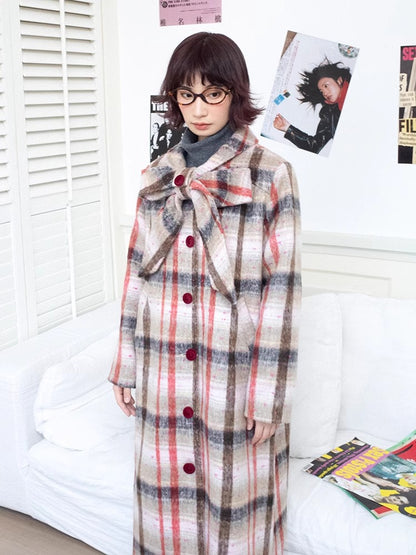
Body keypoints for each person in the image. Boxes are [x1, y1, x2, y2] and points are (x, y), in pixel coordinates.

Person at [109, 31, 301, 554]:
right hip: (163, 375)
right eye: (187, 94)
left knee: (235, 516)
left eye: (213, 93)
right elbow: (136, 274)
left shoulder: (271, 175)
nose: (199, 108)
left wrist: (268, 396)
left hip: (233, 380)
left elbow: (282, 293)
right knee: (166, 517)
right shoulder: (157, 178)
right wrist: (126, 363)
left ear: (234, 93)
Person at [273, 60, 351, 154]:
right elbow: (314, 146)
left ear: (339, 80)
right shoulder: (329, 114)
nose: (325, 93)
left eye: (326, 86)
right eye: (321, 91)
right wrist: (287, 128)